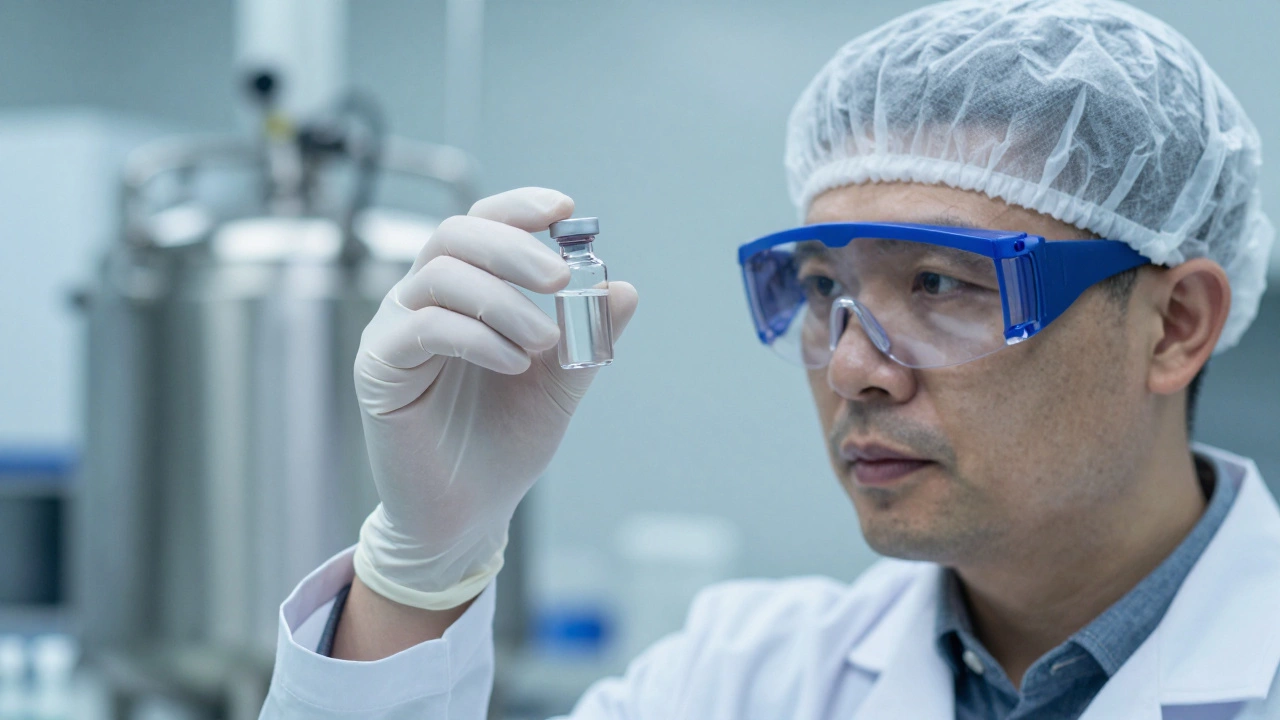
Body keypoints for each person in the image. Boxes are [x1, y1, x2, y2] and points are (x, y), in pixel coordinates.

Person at [259, 0, 1279, 717]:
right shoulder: (736, 681)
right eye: (824, 290)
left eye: (939, 283)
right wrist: (423, 568)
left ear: (1175, 325)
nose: (851, 370)